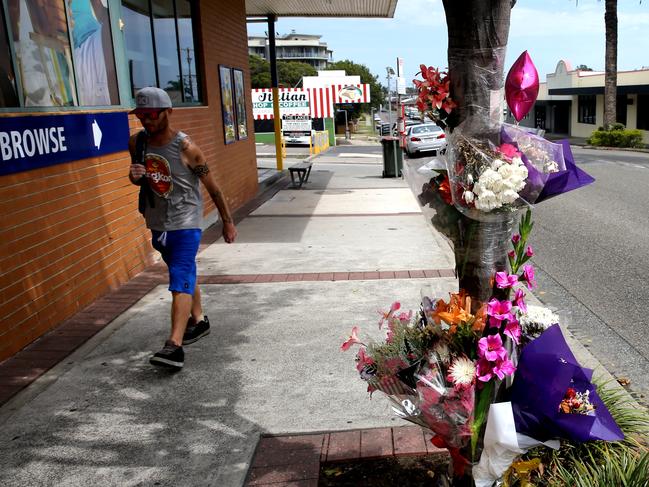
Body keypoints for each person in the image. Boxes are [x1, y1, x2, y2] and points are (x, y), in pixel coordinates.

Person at [128, 87, 237, 370]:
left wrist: (227, 221)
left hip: (186, 223)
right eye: (141, 115)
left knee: (180, 278)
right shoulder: (137, 143)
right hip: (157, 222)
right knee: (184, 271)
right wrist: (135, 177)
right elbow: (142, 179)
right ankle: (198, 321)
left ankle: (174, 345)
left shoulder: (186, 148)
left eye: (151, 114)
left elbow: (213, 188)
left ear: (167, 112)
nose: (146, 121)